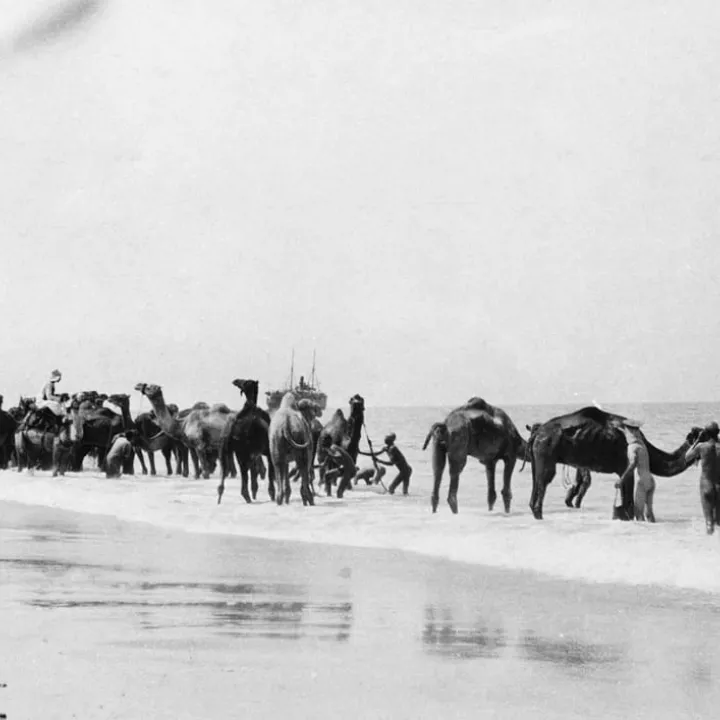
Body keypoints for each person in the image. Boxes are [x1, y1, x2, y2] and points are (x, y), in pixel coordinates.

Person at [684, 421, 720, 535]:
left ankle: (707, 549)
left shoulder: (702, 446)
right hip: (719, 485)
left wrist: (698, 440)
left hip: (706, 485)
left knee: (709, 523)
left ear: (706, 433)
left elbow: (687, 457)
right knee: (718, 522)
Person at [616, 420, 655, 522]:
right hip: (650, 481)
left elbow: (633, 464)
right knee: (649, 513)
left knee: (638, 513)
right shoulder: (641, 445)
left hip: (641, 482)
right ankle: (656, 535)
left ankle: (642, 537)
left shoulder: (632, 447)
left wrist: (622, 479)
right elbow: (630, 432)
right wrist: (620, 428)